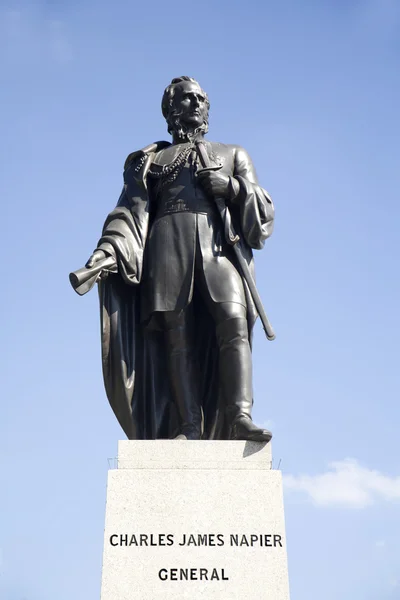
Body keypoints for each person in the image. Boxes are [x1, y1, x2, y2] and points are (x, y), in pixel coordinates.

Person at [82, 76, 274, 441]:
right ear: (170, 109)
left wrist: (231, 187)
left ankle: (239, 417)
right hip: (166, 246)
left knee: (233, 320)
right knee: (176, 335)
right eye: (186, 98)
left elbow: (263, 210)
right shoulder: (149, 160)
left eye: (201, 98)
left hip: (219, 249)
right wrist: (107, 249)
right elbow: (129, 212)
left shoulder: (234, 154)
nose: (196, 103)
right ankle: (188, 426)